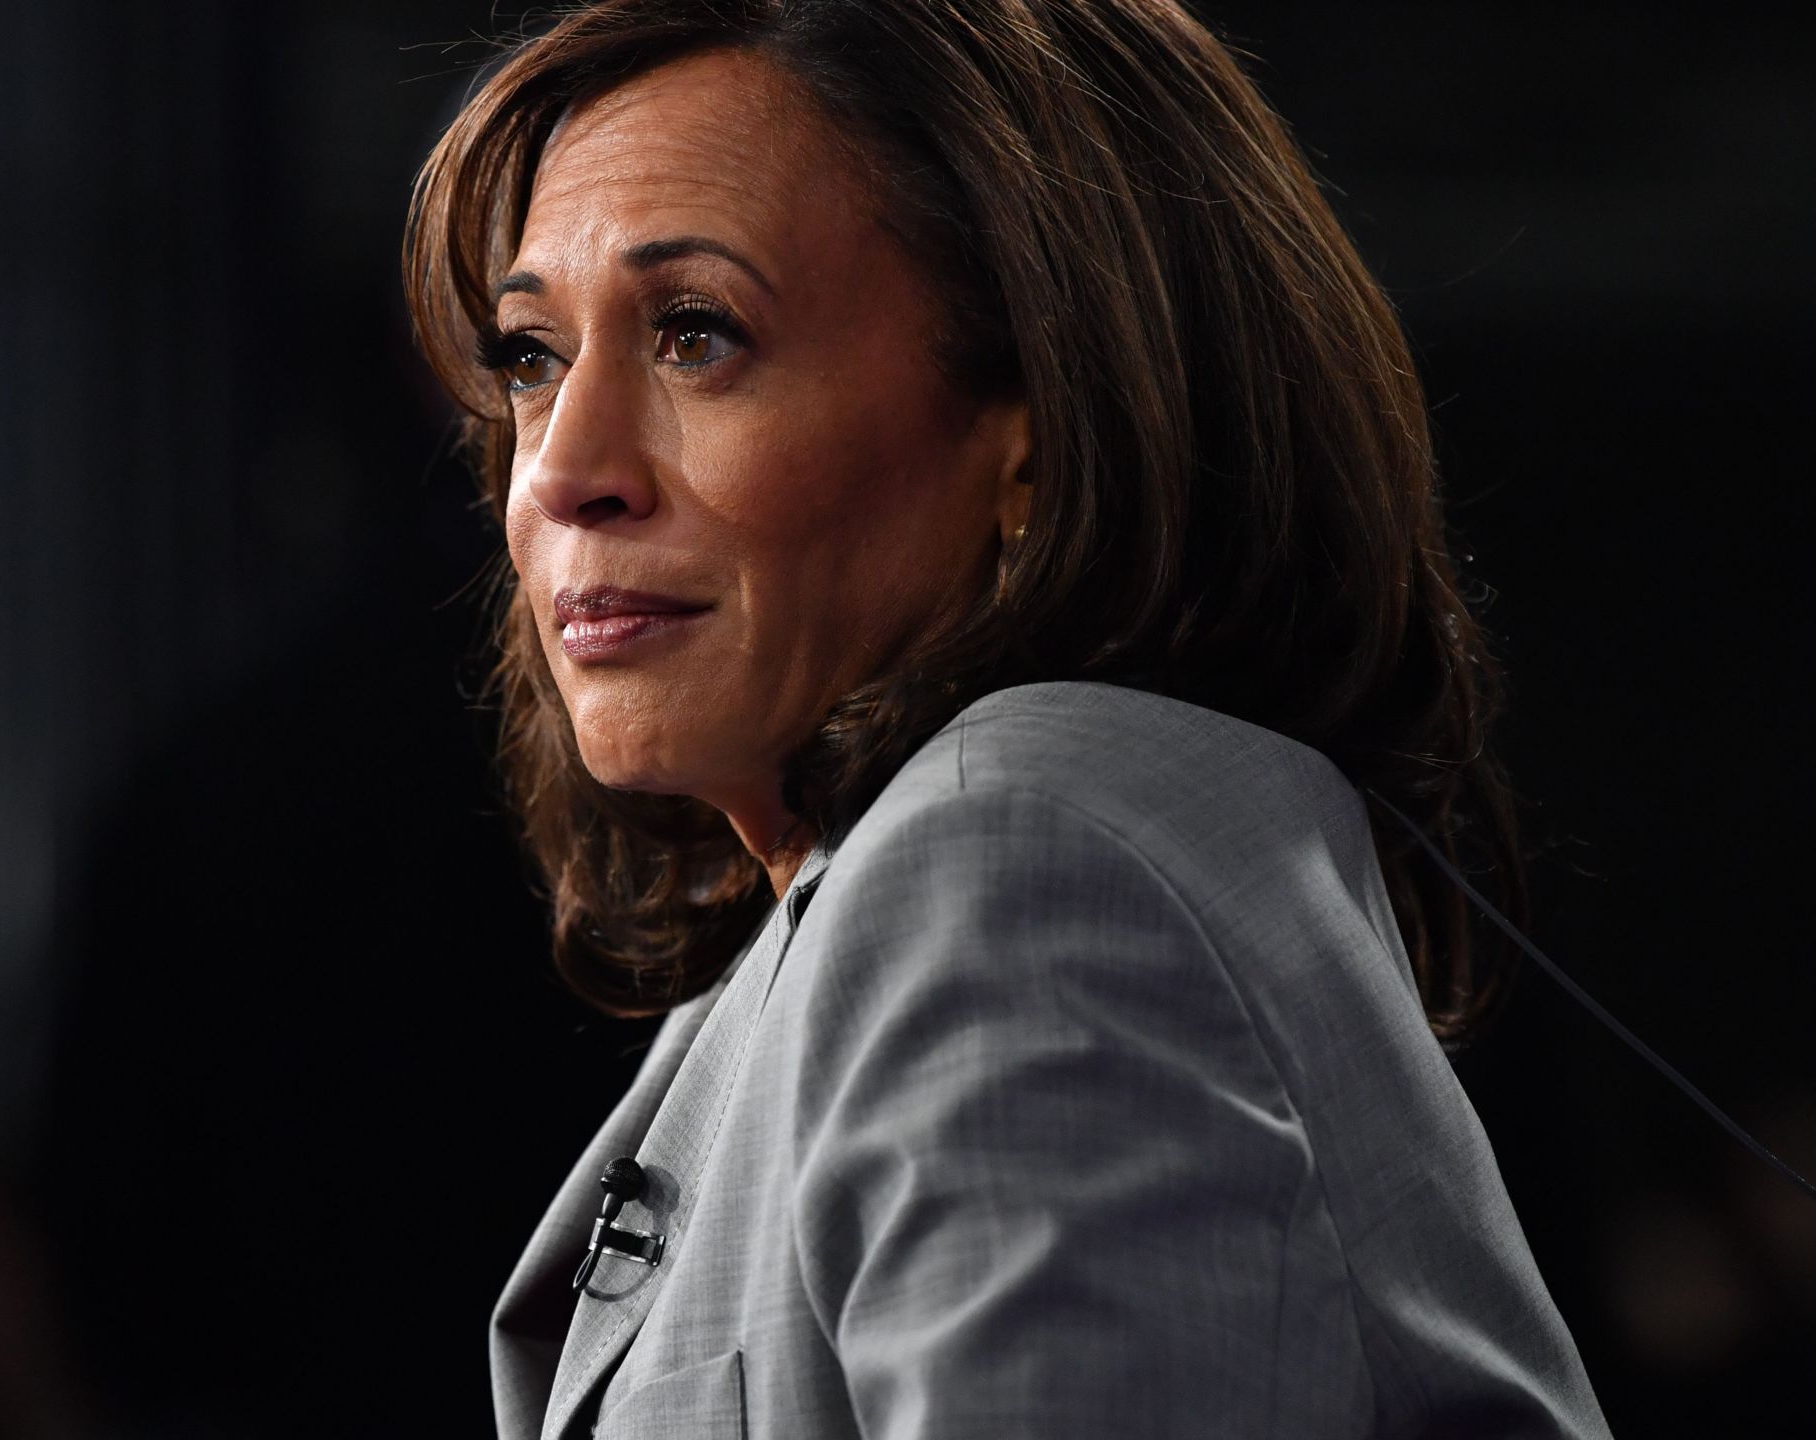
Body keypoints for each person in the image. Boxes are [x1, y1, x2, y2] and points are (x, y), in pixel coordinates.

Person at [400, 1, 1612, 1435]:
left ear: (1037, 430)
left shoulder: (1017, 864)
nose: (561, 472)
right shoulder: (924, 879)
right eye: (533, 356)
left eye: (695, 334)